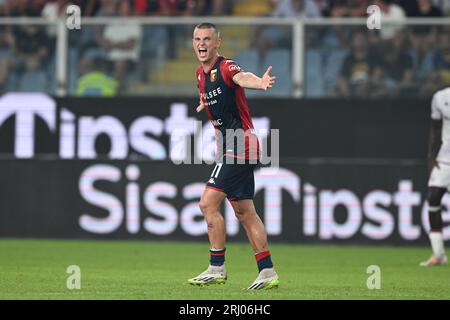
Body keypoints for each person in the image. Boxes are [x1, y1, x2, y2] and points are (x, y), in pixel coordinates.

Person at [187, 22, 279, 290]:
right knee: (245, 212)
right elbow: (216, 97)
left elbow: (241, 77)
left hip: (239, 144)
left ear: (218, 42)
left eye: (207, 38)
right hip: (234, 146)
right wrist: (205, 102)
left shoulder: (226, 67)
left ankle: (216, 267)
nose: (201, 43)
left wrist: (258, 83)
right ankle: (267, 271)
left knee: (207, 204)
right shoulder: (199, 74)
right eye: (197, 39)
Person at [420, 86, 450, 266]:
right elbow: (435, 129)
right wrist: (431, 157)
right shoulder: (440, 97)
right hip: (444, 158)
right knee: (433, 197)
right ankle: (438, 254)